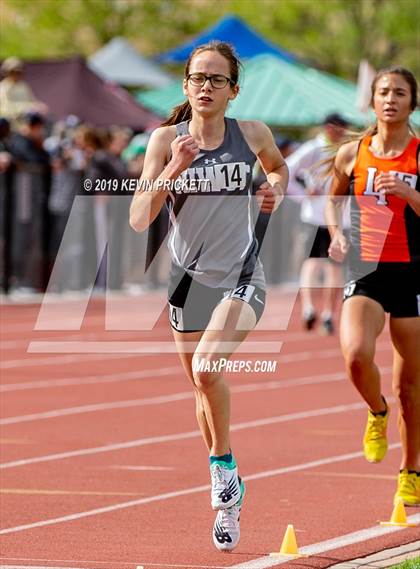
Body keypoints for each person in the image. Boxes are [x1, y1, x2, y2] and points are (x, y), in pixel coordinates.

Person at [129, 41, 288, 551]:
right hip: (186, 282)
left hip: (241, 275)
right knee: (203, 387)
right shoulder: (163, 140)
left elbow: (278, 169)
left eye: (216, 79)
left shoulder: (252, 134)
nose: (205, 86)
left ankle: (221, 468)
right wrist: (173, 168)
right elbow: (138, 220)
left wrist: (275, 188)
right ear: (185, 86)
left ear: (233, 91)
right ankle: (229, 492)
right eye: (197, 78)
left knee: (205, 368)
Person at [325, 66, 420, 507]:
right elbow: (332, 198)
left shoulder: (419, 155)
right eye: (383, 92)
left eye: (399, 93)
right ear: (373, 101)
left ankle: (411, 470)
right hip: (366, 268)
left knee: (411, 387)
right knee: (356, 355)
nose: (390, 99)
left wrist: (409, 193)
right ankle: (376, 411)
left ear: (411, 103)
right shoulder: (352, 153)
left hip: (413, 273)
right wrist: (337, 233)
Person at [287, 113, 350, 334]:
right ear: (326, 128)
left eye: (343, 127)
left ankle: (329, 314)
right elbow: (286, 170)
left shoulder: (348, 150)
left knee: (335, 267)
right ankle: (308, 308)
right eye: (335, 126)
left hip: (341, 220)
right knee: (311, 263)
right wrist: (303, 193)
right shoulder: (313, 149)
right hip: (313, 217)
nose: (339, 131)